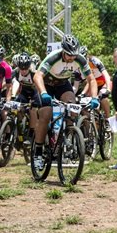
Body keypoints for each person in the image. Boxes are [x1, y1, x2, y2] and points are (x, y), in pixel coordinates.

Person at [33, 34, 99, 169]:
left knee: (72, 107)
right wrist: (44, 93)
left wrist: (95, 97)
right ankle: (38, 152)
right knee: (46, 114)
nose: (71, 58)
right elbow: (37, 76)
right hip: (46, 85)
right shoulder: (53, 58)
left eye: (74, 55)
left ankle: (68, 138)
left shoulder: (79, 59)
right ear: (63, 51)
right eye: (69, 55)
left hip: (62, 84)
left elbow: (91, 79)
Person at [12, 53, 41, 145]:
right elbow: (7, 81)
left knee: (33, 110)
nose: (23, 71)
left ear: (29, 67)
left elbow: (40, 86)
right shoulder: (16, 72)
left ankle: (31, 134)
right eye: (21, 68)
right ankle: (20, 128)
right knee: (16, 109)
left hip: (34, 92)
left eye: (25, 68)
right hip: (24, 92)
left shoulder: (33, 73)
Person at [75, 46, 112, 118]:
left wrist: (108, 89)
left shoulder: (94, 61)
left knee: (103, 98)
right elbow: (75, 86)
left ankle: (108, 119)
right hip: (91, 85)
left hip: (103, 83)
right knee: (87, 103)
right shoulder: (76, 67)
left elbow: (106, 75)